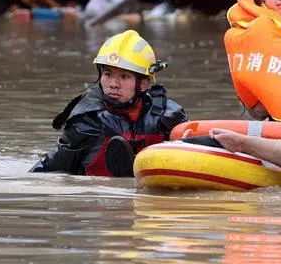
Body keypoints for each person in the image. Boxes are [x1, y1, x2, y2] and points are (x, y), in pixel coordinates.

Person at [29, 30, 188, 177]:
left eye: (124, 76)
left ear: (144, 84)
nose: (113, 84)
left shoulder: (168, 116)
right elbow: (50, 169)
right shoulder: (86, 121)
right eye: (108, 74)